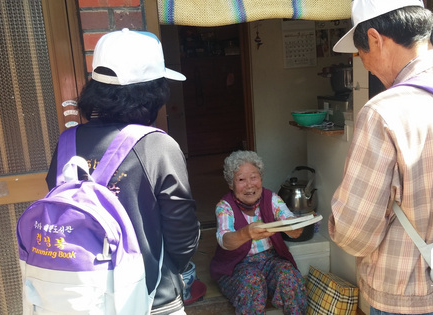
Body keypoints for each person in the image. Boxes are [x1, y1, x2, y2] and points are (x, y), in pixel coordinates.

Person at [329, 1, 433, 314]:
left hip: (408, 295)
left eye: (361, 55)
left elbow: (354, 233)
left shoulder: (383, 112)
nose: (365, 65)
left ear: (375, 39)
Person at [46, 28, 200, 315]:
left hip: (80, 299)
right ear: (152, 92)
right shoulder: (157, 146)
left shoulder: (66, 143)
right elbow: (183, 237)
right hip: (151, 298)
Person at [209, 150, 307, 315]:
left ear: (260, 178)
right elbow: (225, 240)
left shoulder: (272, 199)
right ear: (231, 185)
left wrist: (295, 228)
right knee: (252, 283)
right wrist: (246, 233)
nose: (249, 184)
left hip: (270, 260)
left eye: (253, 177)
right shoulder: (224, 206)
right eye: (241, 179)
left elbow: (289, 223)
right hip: (236, 266)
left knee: (290, 276)